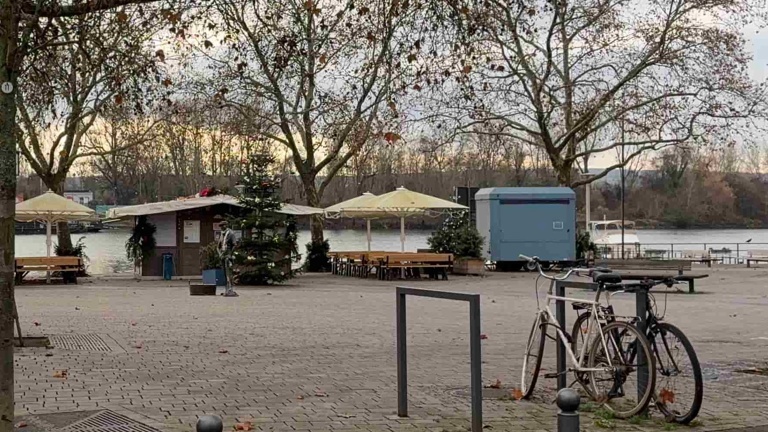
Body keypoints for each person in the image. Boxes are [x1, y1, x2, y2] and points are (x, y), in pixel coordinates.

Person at [218, 221, 237, 297]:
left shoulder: (231, 234)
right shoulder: (222, 234)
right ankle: (226, 289)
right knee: (225, 273)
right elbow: (218, 246)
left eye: (222, 226)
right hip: (223, 255)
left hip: (228, 255)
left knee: (229, 272)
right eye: (220, 226)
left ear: (226, 225)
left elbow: (234, 245)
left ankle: (231, 289)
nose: (221, 228)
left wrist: (230, 254)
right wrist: (220, 254)